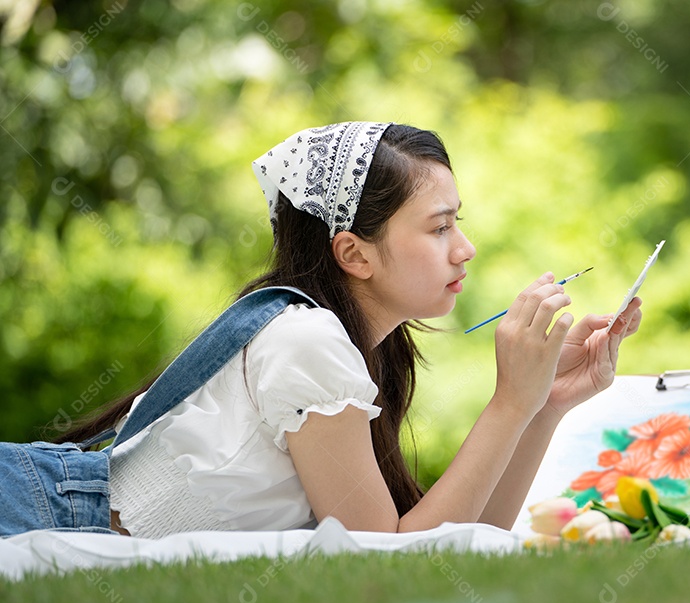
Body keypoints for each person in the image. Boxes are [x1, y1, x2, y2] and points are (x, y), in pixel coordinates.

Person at [57, 121, 643, 538]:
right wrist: (510, 402)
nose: (465, 250)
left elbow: (463, 543)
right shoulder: (306, 342)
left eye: (456, 224)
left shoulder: (358, 351)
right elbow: (386, 566)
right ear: (354, 254)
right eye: (439, 228)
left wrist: (541, 406)